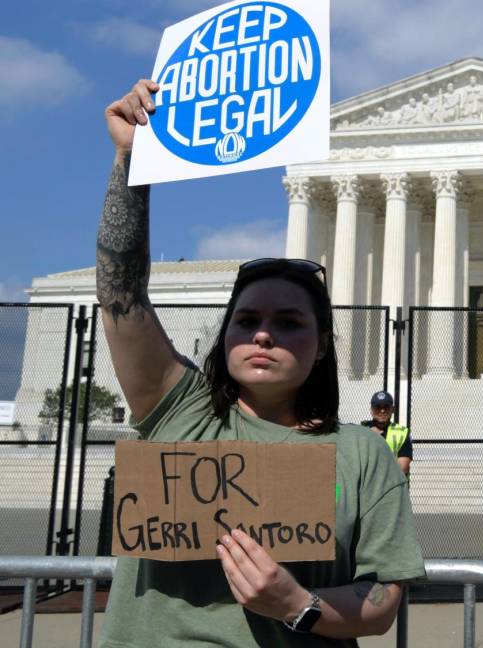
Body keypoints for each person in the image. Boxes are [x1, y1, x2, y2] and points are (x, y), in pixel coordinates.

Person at [97, 79, 425, 647]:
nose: (264, 335)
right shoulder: (181, 414)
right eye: (246, 321)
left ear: (322, 344)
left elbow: (382, 601)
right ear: (226, 336)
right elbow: (121, 294)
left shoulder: (361, 451)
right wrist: (131, 162)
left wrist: (296, 603)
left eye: (290, 323)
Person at [361, 391, 413, 477]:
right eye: (378, 407)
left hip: (393, 487)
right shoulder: (361, 431)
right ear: (371, 410)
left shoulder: (402, 432)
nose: (382, 410)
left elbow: (403, 468)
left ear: (392, 409)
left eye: (386, 407)